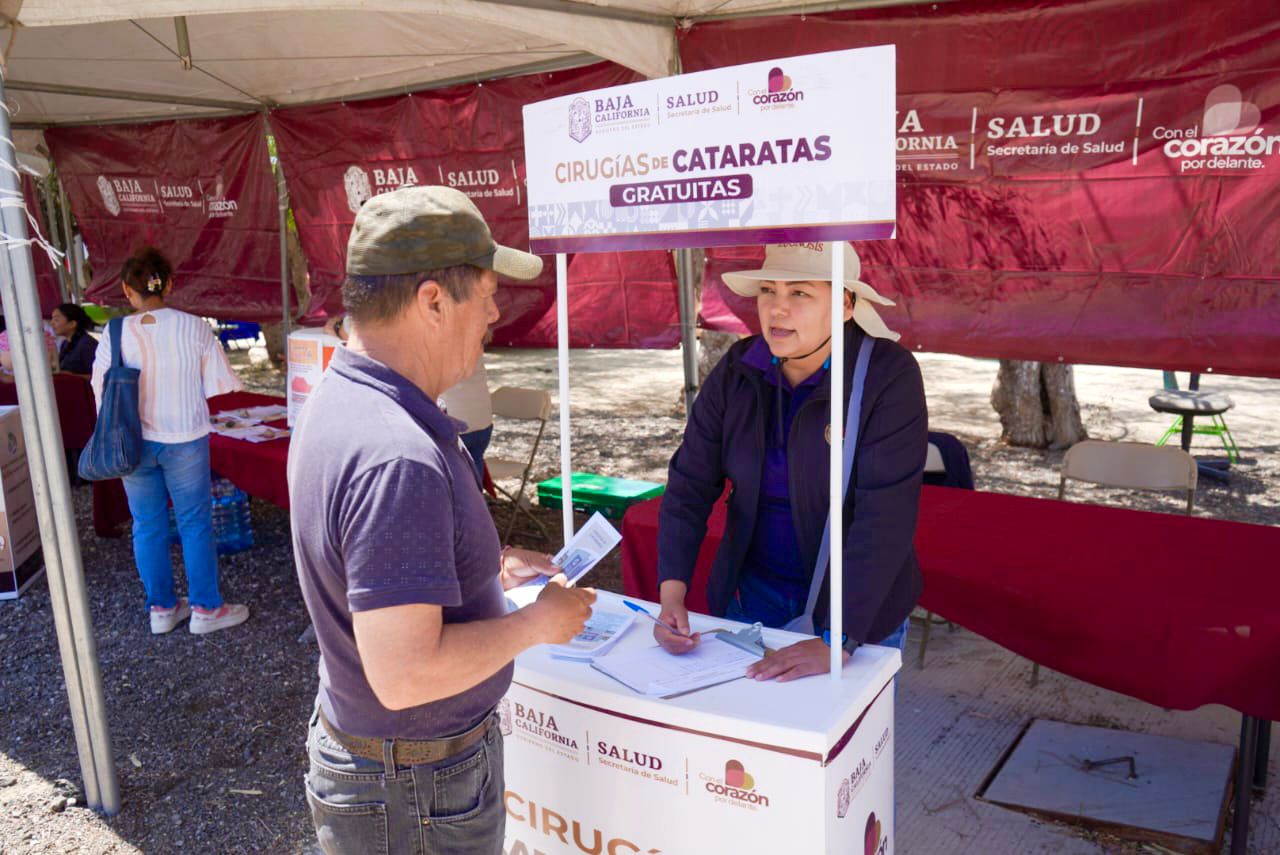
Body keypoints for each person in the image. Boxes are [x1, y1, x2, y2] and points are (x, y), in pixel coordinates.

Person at [289, 186, 595, 855]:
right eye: (486, 292)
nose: (493, 313)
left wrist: (482, 559)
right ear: (432, 300)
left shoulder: (348, 395)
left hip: (394, 768)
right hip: (414, 786)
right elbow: (405, 673)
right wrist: (537, 623)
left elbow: (372, 561)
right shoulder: (395, 454)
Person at [654, 242, 927, 682]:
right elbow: (690, 484)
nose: (776, 309)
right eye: (767, 290)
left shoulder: (886, 377)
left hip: (857, 616)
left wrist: (838, 638)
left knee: (842, 745)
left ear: (843, 305)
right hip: (752, 601)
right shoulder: (740, 368)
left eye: (799, 293)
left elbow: (885, 518)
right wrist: (672, 593)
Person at [91, 247, 250, 635]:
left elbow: (99, 390)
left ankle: (161, 608)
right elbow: (220, 385)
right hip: (185, 438)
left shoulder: (113, 334)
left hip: (131, 442)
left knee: (147, 525)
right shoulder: (195, 327)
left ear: (128, 290)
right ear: (170, 284)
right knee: (196, 523)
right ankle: (206, 609)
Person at [326, 313, 495, 480]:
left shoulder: (417, 316)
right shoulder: (468, 312)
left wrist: (337, 326)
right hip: (480, 418)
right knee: (472, 488)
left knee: (452, 494)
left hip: (448, 423)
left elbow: (361, 333)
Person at [50, 302, 98, 375]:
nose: (52, 323)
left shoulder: (87, 344)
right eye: (52, 319)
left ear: (72, 324)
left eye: (56, 320)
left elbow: (99, 376)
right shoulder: (65, 343)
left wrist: (72, 376)